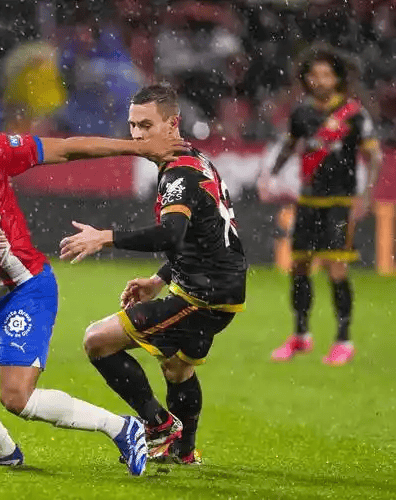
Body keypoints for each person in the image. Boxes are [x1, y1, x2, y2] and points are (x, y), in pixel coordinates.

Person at [0, 84, 186, 475]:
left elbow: (66, 149)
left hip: (24, 288)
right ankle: (2, 451)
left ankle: (122, 427)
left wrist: (137, 149)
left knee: (16, 397)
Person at [59, 83, 247, 465]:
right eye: (132, 125)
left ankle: (158, 425)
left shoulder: (179, 174)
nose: (137, 135)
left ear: (172, 124)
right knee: (177, 368)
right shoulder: (195, 160)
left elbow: (171, 233)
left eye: (146, 126)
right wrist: (160, 279)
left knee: (97, 341)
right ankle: (183, 452)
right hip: (220, 289)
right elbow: (202, 235)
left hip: (203, 296)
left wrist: (106, 237)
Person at [260, 46, 383, 366]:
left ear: (338, 78)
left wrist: (366, 196)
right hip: (308, 200)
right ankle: (300, 335)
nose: (320, 80)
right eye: (314, 75)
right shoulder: (302, 113)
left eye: (327, 74)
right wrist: (270, 175)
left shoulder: (354, 114)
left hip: (340, 202)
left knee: (335, 266)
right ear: (306, 78)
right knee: (299, 266)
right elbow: (290, 146)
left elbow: (374, 156)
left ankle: (343, 339)